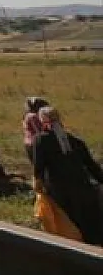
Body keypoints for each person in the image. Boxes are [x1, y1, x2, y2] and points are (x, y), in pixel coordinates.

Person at [31, 107, 103, 245]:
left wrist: (38, 186)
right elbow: (91, 166)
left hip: (60, 191)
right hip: (83, 187)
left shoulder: (41, 140)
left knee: (69, 226)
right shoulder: (75, 141)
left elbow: (39, 167)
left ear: (43, 121)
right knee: (89, 224)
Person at [23, 96, 49, 169]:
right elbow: (38, 130)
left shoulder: (27, 115)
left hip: (29, 142)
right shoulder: (33, 116)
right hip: (34, 143)